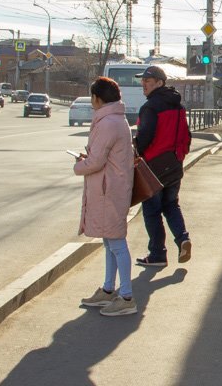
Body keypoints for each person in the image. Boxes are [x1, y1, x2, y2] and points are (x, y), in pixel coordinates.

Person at [74, 77, 137, 316]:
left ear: (97, 98)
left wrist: (78, 166)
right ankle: (109, 290)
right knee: (110, 241)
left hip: (108, 190)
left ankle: (127, 296)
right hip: (111, 187)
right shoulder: (115, 119)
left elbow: (96, 161)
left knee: (117, 243)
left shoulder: (107, 122)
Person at [134, 65, 192, 267]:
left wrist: (136, 153)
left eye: (147, 82)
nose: (143, 85)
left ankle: (158, 254)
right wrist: (180, 156)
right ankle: (183, 238)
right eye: (142, 82)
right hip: (174, 164)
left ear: (160, 83)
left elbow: (144, 138)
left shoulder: (150, 107)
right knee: (171, 205)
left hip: (153, 167)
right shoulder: (179, 107)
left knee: (151, 210)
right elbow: (187, 136)